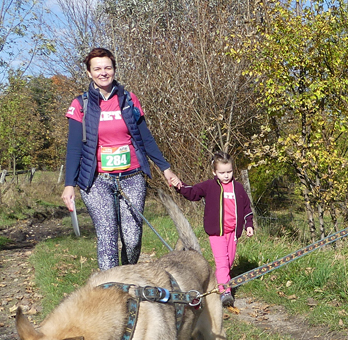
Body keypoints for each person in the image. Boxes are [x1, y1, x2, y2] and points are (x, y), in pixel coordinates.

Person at [62, 47, 183, 270]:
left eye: (107, 67)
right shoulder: (80, 105)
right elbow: (74, 148)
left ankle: (127, 274)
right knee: (107, 236)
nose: (103, 72)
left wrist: (165, 169)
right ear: (89, 73)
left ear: (114, 70)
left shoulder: (129, 99)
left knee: (132, 238)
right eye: (97, 69)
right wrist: (69, 184)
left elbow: (145, 138)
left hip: (131, 176)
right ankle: (111, 286)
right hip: (96, 180)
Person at [177, 152, 255, 308]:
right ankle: (225, 292)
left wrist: (249, 224)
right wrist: (180, 186)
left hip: (232, 233)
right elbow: (193, 193)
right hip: (216, 233)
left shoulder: (238, 188)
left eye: (229, 172)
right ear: (214, 172)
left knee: (228, 262)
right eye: (222, 172)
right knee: (222, 263)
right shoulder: (209, 186)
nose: (226, 176)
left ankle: (216, 281)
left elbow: (247, 208)